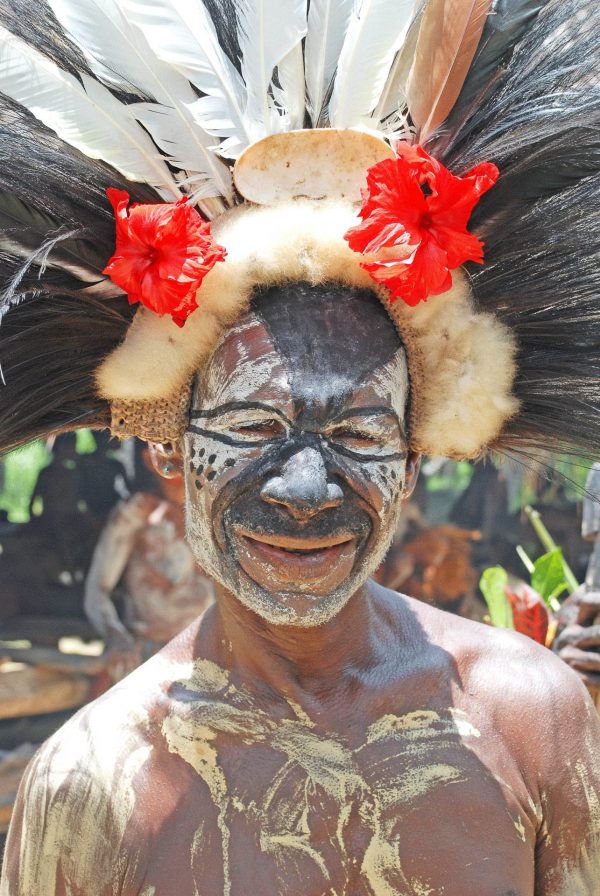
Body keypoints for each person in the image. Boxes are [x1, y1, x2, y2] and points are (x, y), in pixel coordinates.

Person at [0, 1, 599, 893]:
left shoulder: (530, 716)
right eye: (250, 429)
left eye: (359, 434)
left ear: (411, 462)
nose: (308, 489)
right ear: (168, 448)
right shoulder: (93, 787)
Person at [84, 447, 215, 680]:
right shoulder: (137, 513)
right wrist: (116, 637)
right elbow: (97, 591)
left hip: (209, 655)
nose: (180, 467)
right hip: (148, 656)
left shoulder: (212, 513)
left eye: (188, 456)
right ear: (149, 458)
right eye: (170, 457)